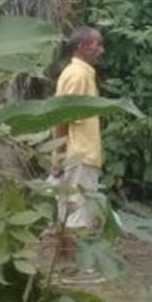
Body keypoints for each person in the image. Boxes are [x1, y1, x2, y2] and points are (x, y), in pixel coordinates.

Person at [51, 26, 106, 282]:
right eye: (97, 44)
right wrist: (60, 154)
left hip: (78, 153)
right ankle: (78, 269)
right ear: (82, 47)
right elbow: (62, 115)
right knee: (78, 213)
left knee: (70, 211)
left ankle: (66, 267)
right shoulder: (78, 74)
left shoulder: (81, 73)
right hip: (79, 153)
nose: (101, 50)